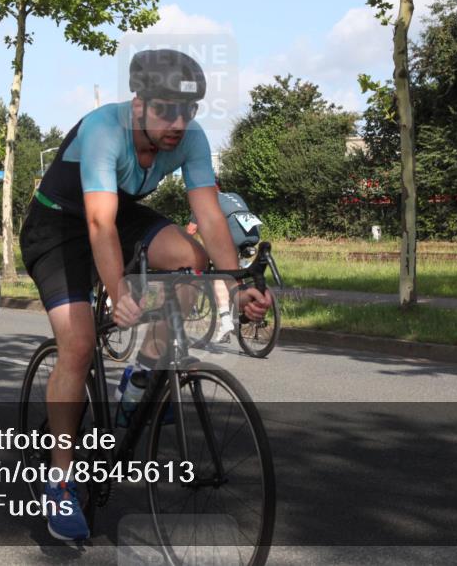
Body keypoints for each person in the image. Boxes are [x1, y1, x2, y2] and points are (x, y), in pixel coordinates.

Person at [20, 48, 272, 541]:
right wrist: (119, 292)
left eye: (188, 110)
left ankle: (143, 373)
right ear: (139, 104)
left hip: (118, 213)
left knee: (191, 261)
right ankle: (61, 482)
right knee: (78, 344)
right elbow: (97, 223)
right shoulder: (102, 130)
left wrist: (237, 286)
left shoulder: (190, 138)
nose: (178, 122)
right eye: (165, 110)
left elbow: (213, 215)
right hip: (58, 225)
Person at [185, 183, 263, 342]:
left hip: (233, 235)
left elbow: (191, 231)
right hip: (253, 235)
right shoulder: (233, 195)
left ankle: (226, 322)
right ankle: (245, 296)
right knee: (236, 271)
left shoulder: (204, 200)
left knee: (220, 273)